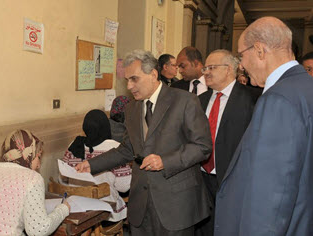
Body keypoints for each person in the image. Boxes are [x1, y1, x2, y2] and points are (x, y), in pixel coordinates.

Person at [76, 49, 212, 236]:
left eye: (134, 79)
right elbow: (126, 149)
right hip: (141, 202)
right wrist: (90, 164)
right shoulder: (132, 108)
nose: (130, 86)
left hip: (176, 204)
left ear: (153, 74)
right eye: (127, 81)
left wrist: (166, 161)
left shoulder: (184, 101)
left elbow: (202, 147)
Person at [214, 16, 313, 236]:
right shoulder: (305, 87)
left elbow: (273, 195)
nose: (240, 65)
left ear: (259, 50)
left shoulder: (279, 99)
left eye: (241, 55)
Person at [196, 49, 259, 236]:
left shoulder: (252, 99)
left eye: (212, 67)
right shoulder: (200, 100)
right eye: (205, 68)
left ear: (229, 69)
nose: (206, 72)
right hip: (201, 177)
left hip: (233, 180)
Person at [0, 129, 70, 236]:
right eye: (38, 156)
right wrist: (63, 209)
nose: (38, 164)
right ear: (29, 153)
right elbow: (38, 230)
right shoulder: (32, 178)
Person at [63, 109, 131, 222]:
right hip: (107, 213)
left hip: (77, 210)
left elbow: (63, 180)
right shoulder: (116, 149)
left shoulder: (74, 145)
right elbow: (124, 186)